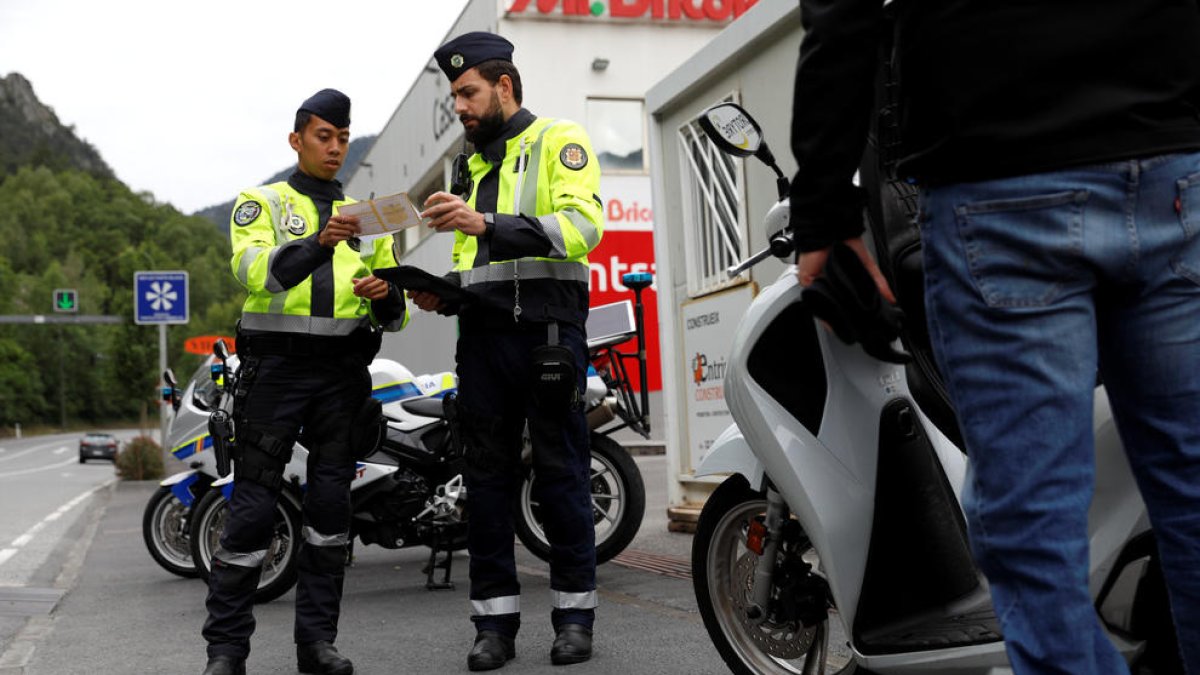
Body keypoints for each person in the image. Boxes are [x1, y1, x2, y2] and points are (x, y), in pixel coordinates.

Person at [789, 1, 1200, 673]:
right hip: (1174, 163)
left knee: (1035, 528)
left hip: (1004, 172)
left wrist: (824, 207)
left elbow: (844, 11)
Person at [408, 31, 604, 671]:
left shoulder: (558, 140)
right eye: (455, 97)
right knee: (486, 485)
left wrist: (486, 223)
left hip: (548, 336)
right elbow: (478, 264)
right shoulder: (467, 166)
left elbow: (583, 229)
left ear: (504, 86)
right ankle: (493, 627)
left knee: (562, 477)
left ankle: (574, 619)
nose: (460, 107)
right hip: (482, 341)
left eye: (468, 93)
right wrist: (444, 293)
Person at [201, 88, 408, 675]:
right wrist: (321, 242)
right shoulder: (261, 202)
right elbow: (261, 275)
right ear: (297, 140)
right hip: (275, 374)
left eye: (342, 137)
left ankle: (317, 646)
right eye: (324, 136)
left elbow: (396, 315)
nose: (335, 147)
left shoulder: (370, 216)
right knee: (251, 513)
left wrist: (384, 294)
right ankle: (226, 652)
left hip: (342, 377)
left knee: (330, 517)